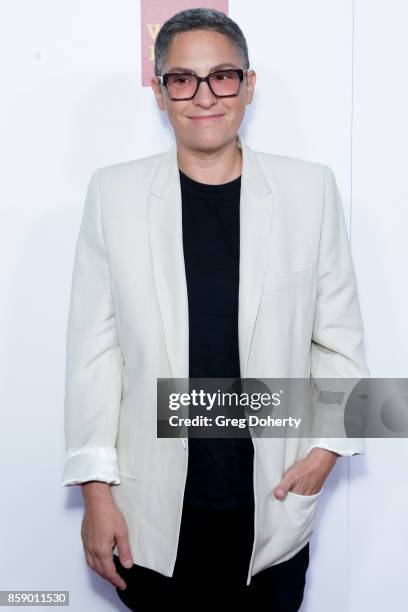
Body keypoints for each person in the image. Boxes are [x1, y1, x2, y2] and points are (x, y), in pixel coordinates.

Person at [60, 8, 370, 610]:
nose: (205, 95)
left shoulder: (311, 190)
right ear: (160, 92)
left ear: (249, 86)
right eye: (182, 79)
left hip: (271, 510)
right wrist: (97, 494)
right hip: (150, 516)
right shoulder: (112, 193)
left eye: (223, 76)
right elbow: (93, 355)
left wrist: (327, 452)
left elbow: (340, 342)